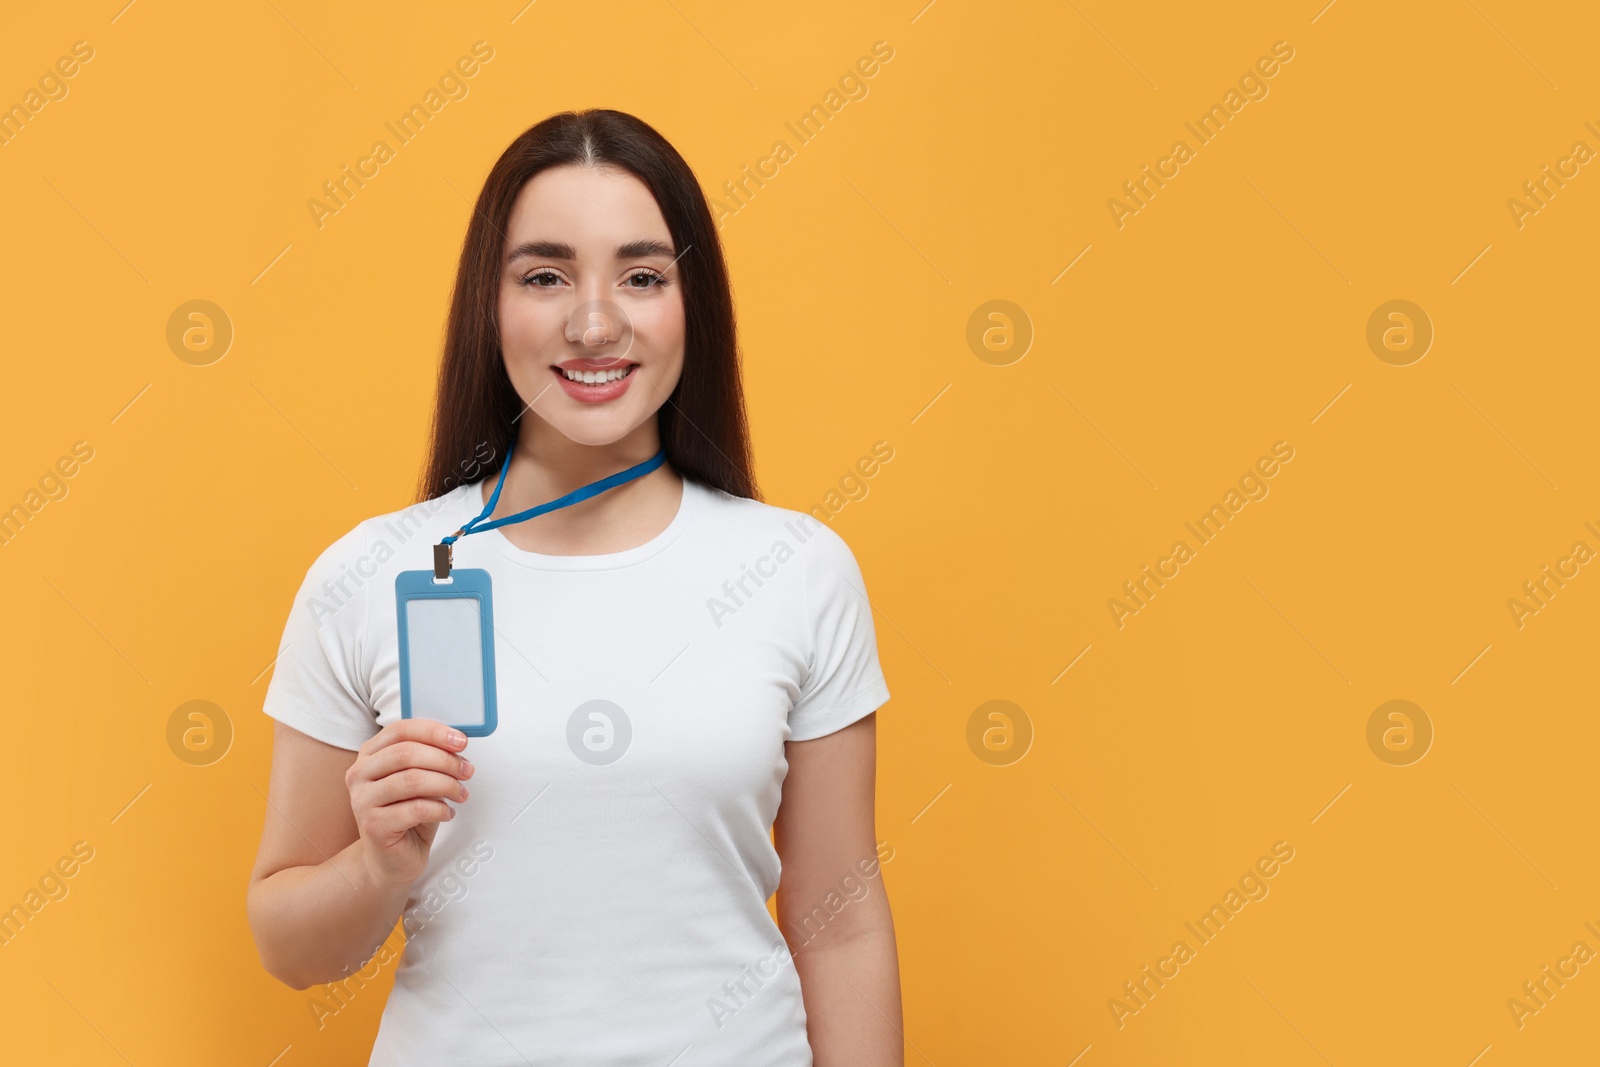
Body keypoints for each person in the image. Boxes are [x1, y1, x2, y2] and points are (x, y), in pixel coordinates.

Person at [245, 109, 904, 1066]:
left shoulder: (798, 570)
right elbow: (289, 948)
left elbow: (840, 922)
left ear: (694, 306)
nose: (595, 323)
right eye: (545, 275)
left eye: (642, 276)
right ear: (490, 302)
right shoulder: (366, 575)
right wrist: (377, 865)